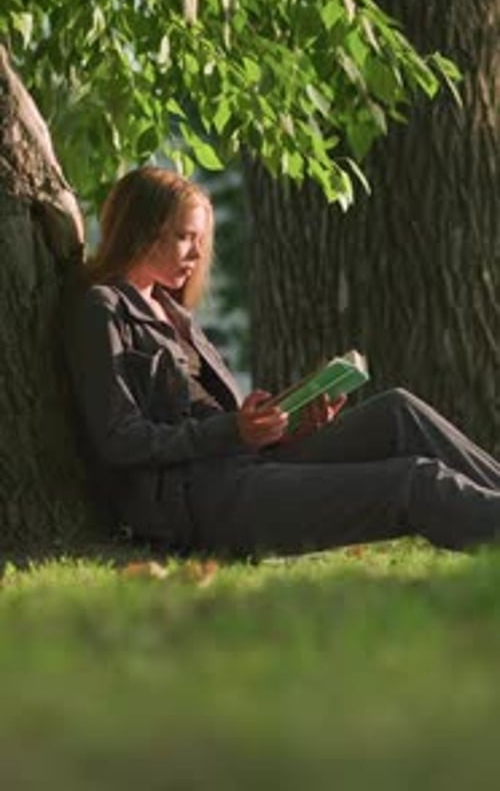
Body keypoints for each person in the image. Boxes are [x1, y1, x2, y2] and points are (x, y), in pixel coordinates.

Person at [64, 166, 500, 557]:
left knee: (399, 410)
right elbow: (120, 439)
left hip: (246, 466)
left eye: (200, 240)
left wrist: (288, 425)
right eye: (183, 237)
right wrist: (233, 429)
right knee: (415, 483)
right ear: (141, 230)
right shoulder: (104, 309)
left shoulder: (174, 312)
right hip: (201, 501)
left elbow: (225, 427)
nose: (197, 256)